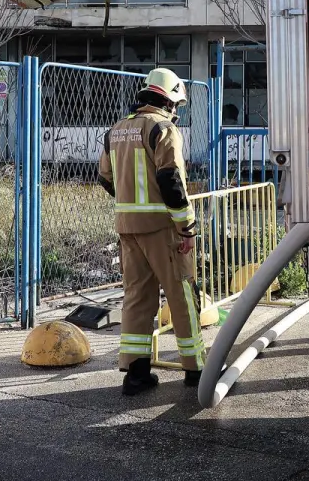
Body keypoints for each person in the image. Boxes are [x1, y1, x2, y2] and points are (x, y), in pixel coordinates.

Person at [98, 67, 203, 396]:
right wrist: (186, 228)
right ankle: (196, 370)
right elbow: (171, 182)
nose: (177, 112)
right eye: (177, 106)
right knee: (182, 295)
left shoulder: (116, 130)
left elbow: (104, 178)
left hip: (127, 228)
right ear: (170, 100)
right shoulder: (163, 129)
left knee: (137, 299)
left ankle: (136, 374)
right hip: (162, 228)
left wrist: (131, 201)